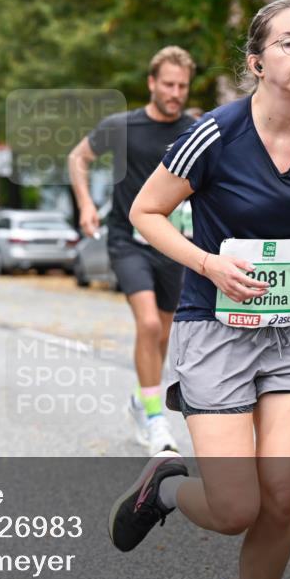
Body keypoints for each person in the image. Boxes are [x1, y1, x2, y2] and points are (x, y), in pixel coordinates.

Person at [107, 0, 290, 579]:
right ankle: (166, 489)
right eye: (289, 42)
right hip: (215, 330)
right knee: (236, 509)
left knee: (281, 500)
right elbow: (145, 212)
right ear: (257, 63)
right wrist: (209, 264)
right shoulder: (215, 134)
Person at [68, 46, 197, 455]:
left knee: (165, 332)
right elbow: (78, 158)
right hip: (128, 240)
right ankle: (156, 420)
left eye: (182, 86)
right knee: (149, 324)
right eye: (169, 84)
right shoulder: (122, 126)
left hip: (174, 244)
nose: (176, 93)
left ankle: (142, 399)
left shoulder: (195, 130)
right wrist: (86, 204)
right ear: (152, 83)